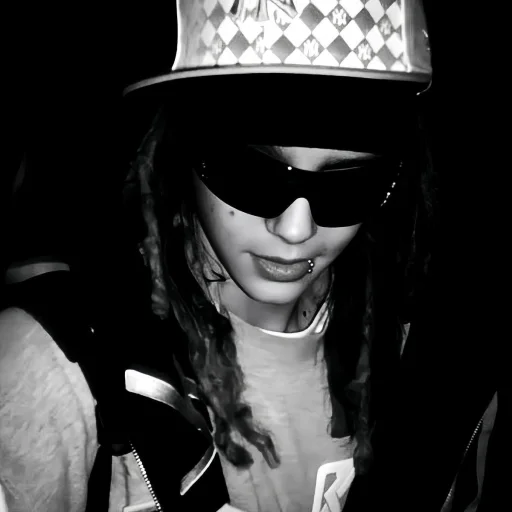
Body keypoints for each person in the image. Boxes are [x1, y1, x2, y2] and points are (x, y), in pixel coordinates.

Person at [0, 1, 457, 511]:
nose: (295, 229)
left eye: (349, 185)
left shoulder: (425, 354)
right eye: (252, 172)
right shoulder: (55, 367)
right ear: (178, 148)